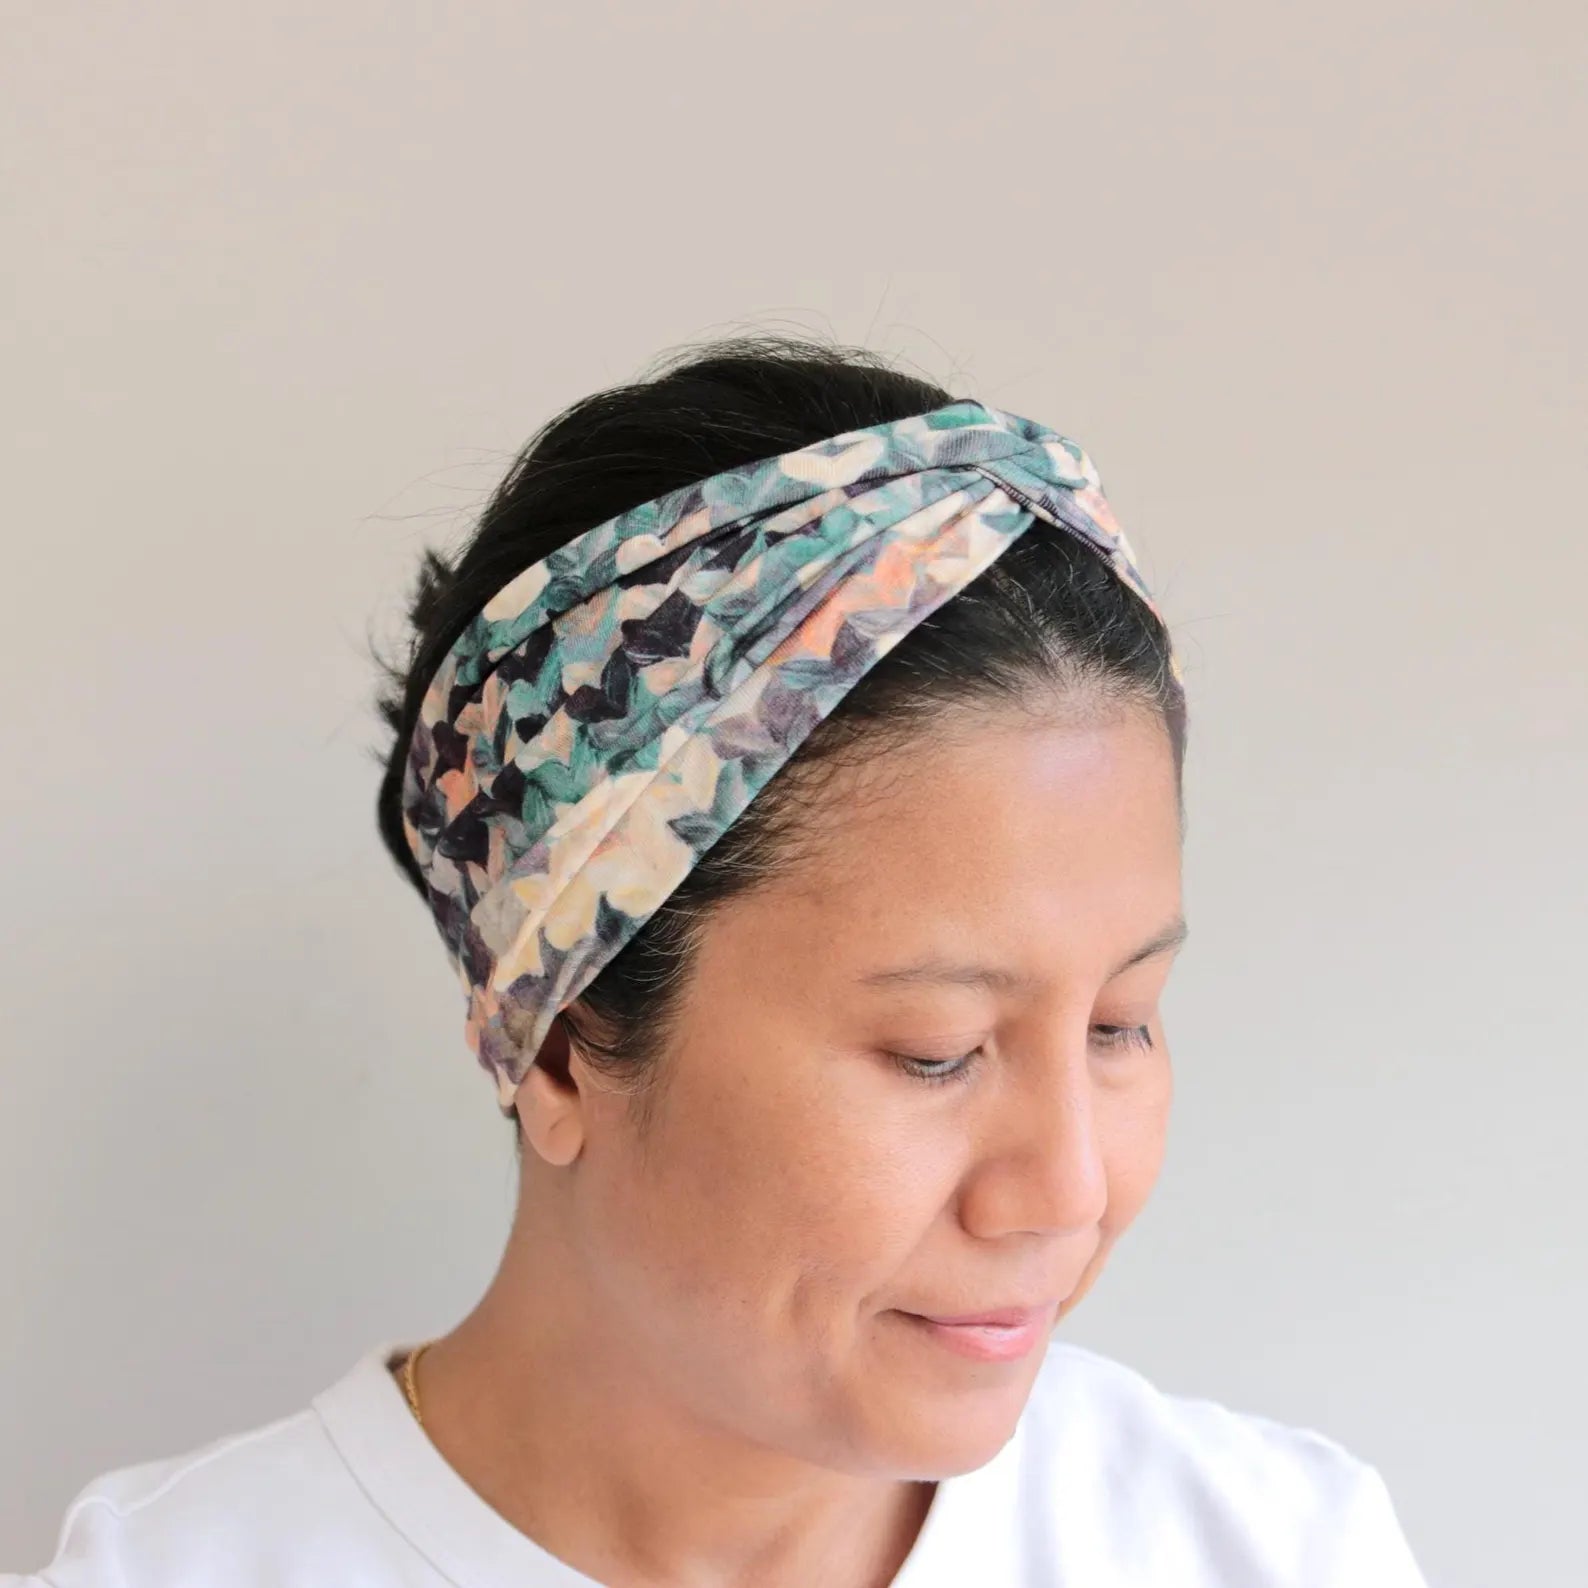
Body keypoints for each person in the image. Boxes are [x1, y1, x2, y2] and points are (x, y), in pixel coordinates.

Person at [8, 336, 1429, 1586]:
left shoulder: (1270, 1551)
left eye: (1123, 1023)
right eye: (939, 1050)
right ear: (559, 1041)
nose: (1067, 1192)